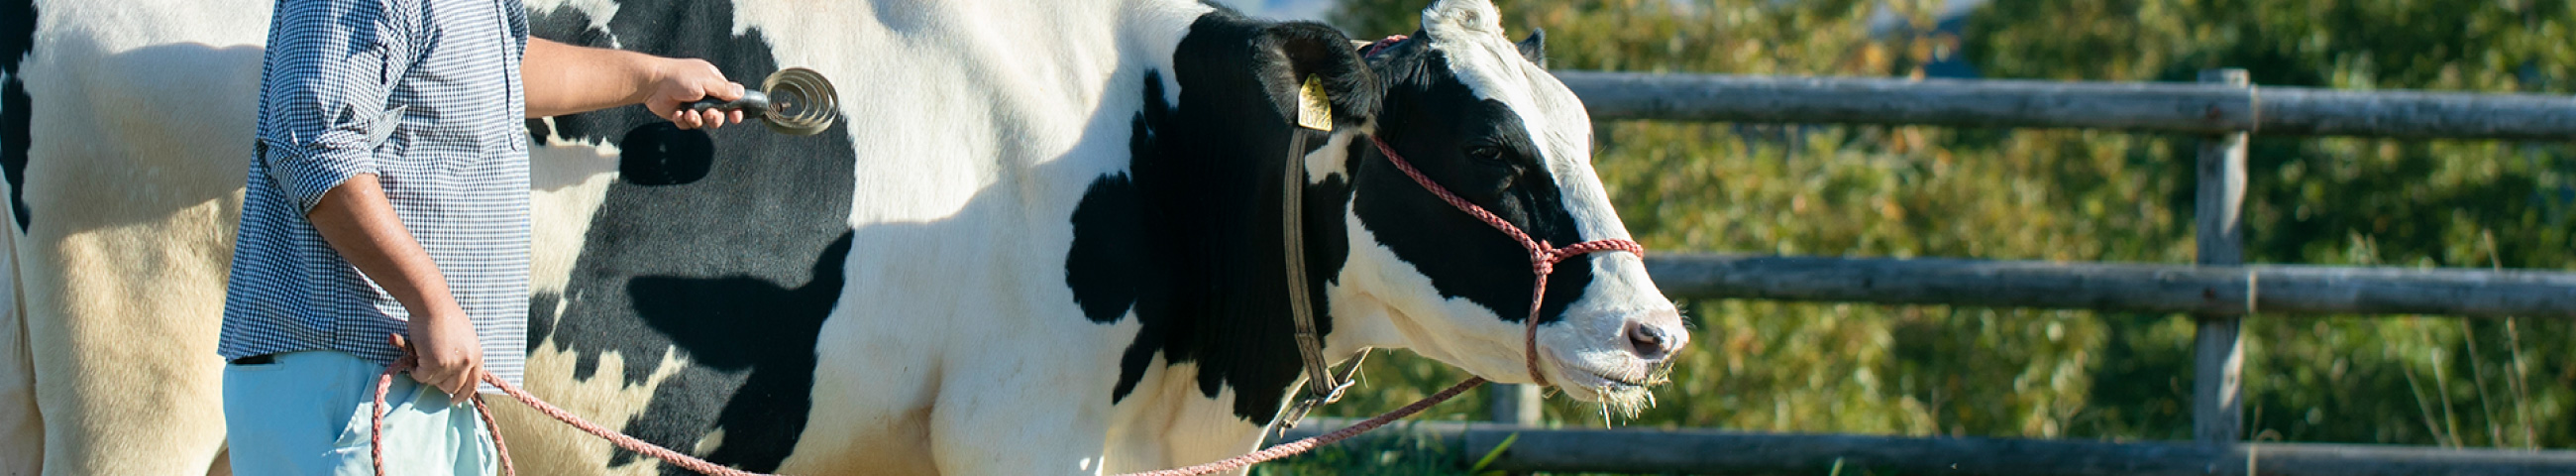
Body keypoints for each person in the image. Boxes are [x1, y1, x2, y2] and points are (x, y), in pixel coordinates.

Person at [217, 0, 745, 473]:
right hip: (350, 386)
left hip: (419, 384)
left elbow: (498, 69)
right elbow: (312, 140)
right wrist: (430, 300)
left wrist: (650, 79)